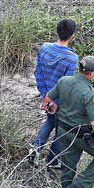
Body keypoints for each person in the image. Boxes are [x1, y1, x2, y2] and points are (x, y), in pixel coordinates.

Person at [40, 56, 94, 188]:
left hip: (63, 131)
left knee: (68, 165)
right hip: (81, 135)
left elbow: (47, 99)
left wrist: (51, 105)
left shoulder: (64, 81)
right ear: (92, 73)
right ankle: (79, 186)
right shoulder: (89, 93)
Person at [29, 19, 79, 168]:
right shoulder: (72, 58)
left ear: (57, 31)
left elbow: (38, 72)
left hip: (46, 96)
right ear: (72, 36)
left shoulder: (44, 48)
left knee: (51, 121)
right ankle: (52, 161)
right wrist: (55, 103)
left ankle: (35, 149)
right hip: (61, 101)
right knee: (62, 129)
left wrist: (45, 96)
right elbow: (67, 84)